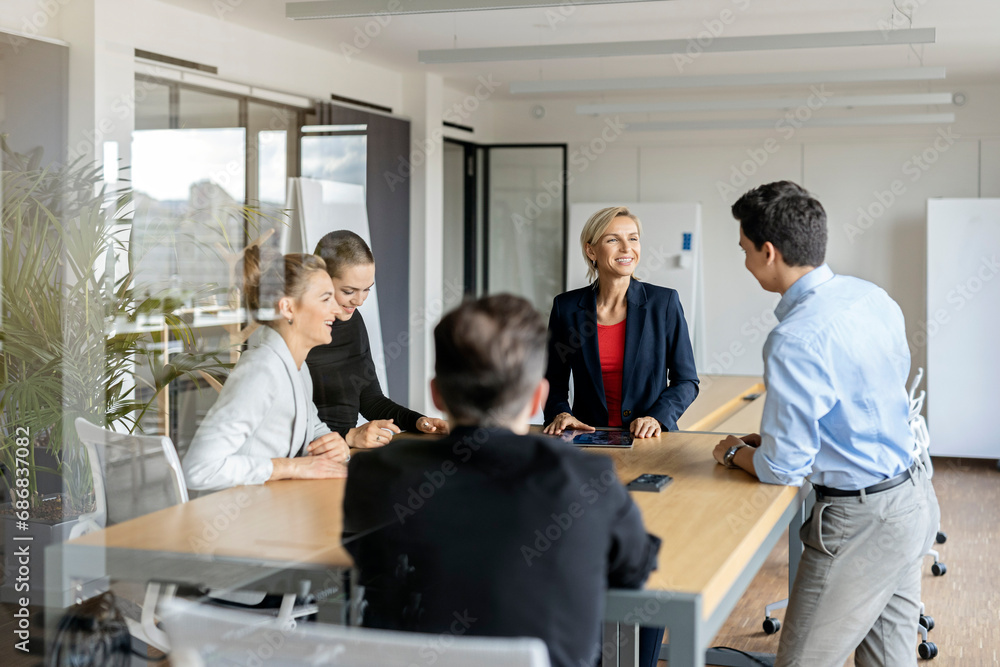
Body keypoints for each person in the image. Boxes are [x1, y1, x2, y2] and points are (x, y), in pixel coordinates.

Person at [342, 295, 662, 667]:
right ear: (537, 400)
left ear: (436, 394)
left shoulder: (375, 472)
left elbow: (368, 561)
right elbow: (635, 569)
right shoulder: (587, 478)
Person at [713, 181, 940, 667]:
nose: (745, 262)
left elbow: (782, 468)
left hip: (861, 522)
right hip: (912, 497)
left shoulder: (794, 338)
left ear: (768, 252)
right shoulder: (869, 297)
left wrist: (734, 453)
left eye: (745, 250)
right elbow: (868, 403)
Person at [183, 249, 350, 492]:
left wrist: (335, 445)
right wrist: (292, 467)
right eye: (326, 299)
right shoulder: (261, 371)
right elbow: (198, 469)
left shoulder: (297, 367)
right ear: (288, 308)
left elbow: (311, 427)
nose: (337, 309)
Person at [543, 206, 699, 438]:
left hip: (649, 440)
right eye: (613, 239)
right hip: (587, 438)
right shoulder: (565, 308)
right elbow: (552, 381)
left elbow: (686, 380)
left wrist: (656, 418)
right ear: (591, 250)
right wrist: (560, 413)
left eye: (633, 238)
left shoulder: (664, 303)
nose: (627, 248)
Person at [307, 230, 449, 449]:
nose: (359, 301)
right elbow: (285, 424)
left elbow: (370, 399)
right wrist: (348, 436)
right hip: (308, 459)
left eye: (366, 290)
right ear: (320, 278)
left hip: (343, 455)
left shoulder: (353, 322)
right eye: (349, 291)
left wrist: (417, 421)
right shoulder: (295, 332)